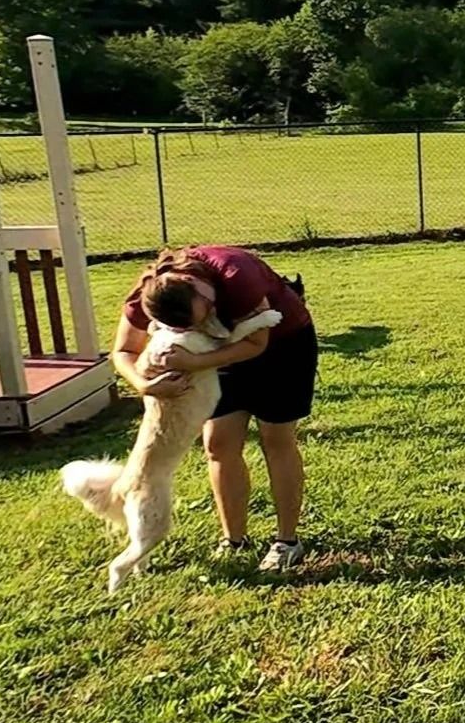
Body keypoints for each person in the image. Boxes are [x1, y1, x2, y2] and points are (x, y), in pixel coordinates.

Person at [112, 244, 317, 571]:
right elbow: (123, 350)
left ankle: (287, 541)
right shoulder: (150, 293)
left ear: (200, 289)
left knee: (276, 439)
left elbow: (255, 343)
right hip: (213, 354)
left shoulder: (238, 275)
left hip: (283, 346)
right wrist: (143, 384)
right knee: (218, 444)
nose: (204, 321)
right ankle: (233, 539)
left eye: (204, 314)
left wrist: (194, 361)